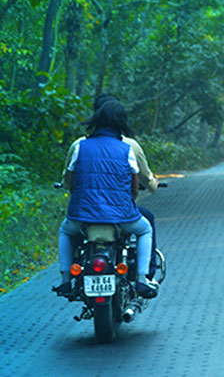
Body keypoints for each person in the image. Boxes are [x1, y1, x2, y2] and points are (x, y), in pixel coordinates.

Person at [56, 101, 158, 298]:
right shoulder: (126, 149)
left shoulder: (80, 146)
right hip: (121, 216)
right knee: (145, 229)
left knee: (65, 231)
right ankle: (143, 279)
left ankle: (66, 279)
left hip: (82, 216)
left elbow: (70, 181)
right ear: (121, 123)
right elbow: (134, 188)